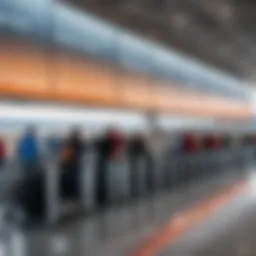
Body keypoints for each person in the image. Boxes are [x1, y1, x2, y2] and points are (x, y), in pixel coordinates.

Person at [60, 128, 85, 199]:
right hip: (71, 164)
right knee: (72, 180)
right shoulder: (73, 144)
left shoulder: (68, 144)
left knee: (70, 180)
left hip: (69, 164)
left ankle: (69, 194)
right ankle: (72, 194)